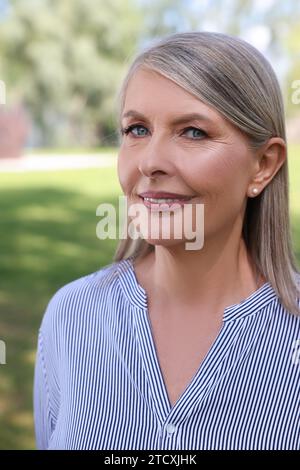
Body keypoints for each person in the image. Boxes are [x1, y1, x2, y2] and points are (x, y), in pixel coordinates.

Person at [33, 31, 300, 450]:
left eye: (193, 132)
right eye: (136, 129)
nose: (151, 162)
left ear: (263, 166)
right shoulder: (71, 316)